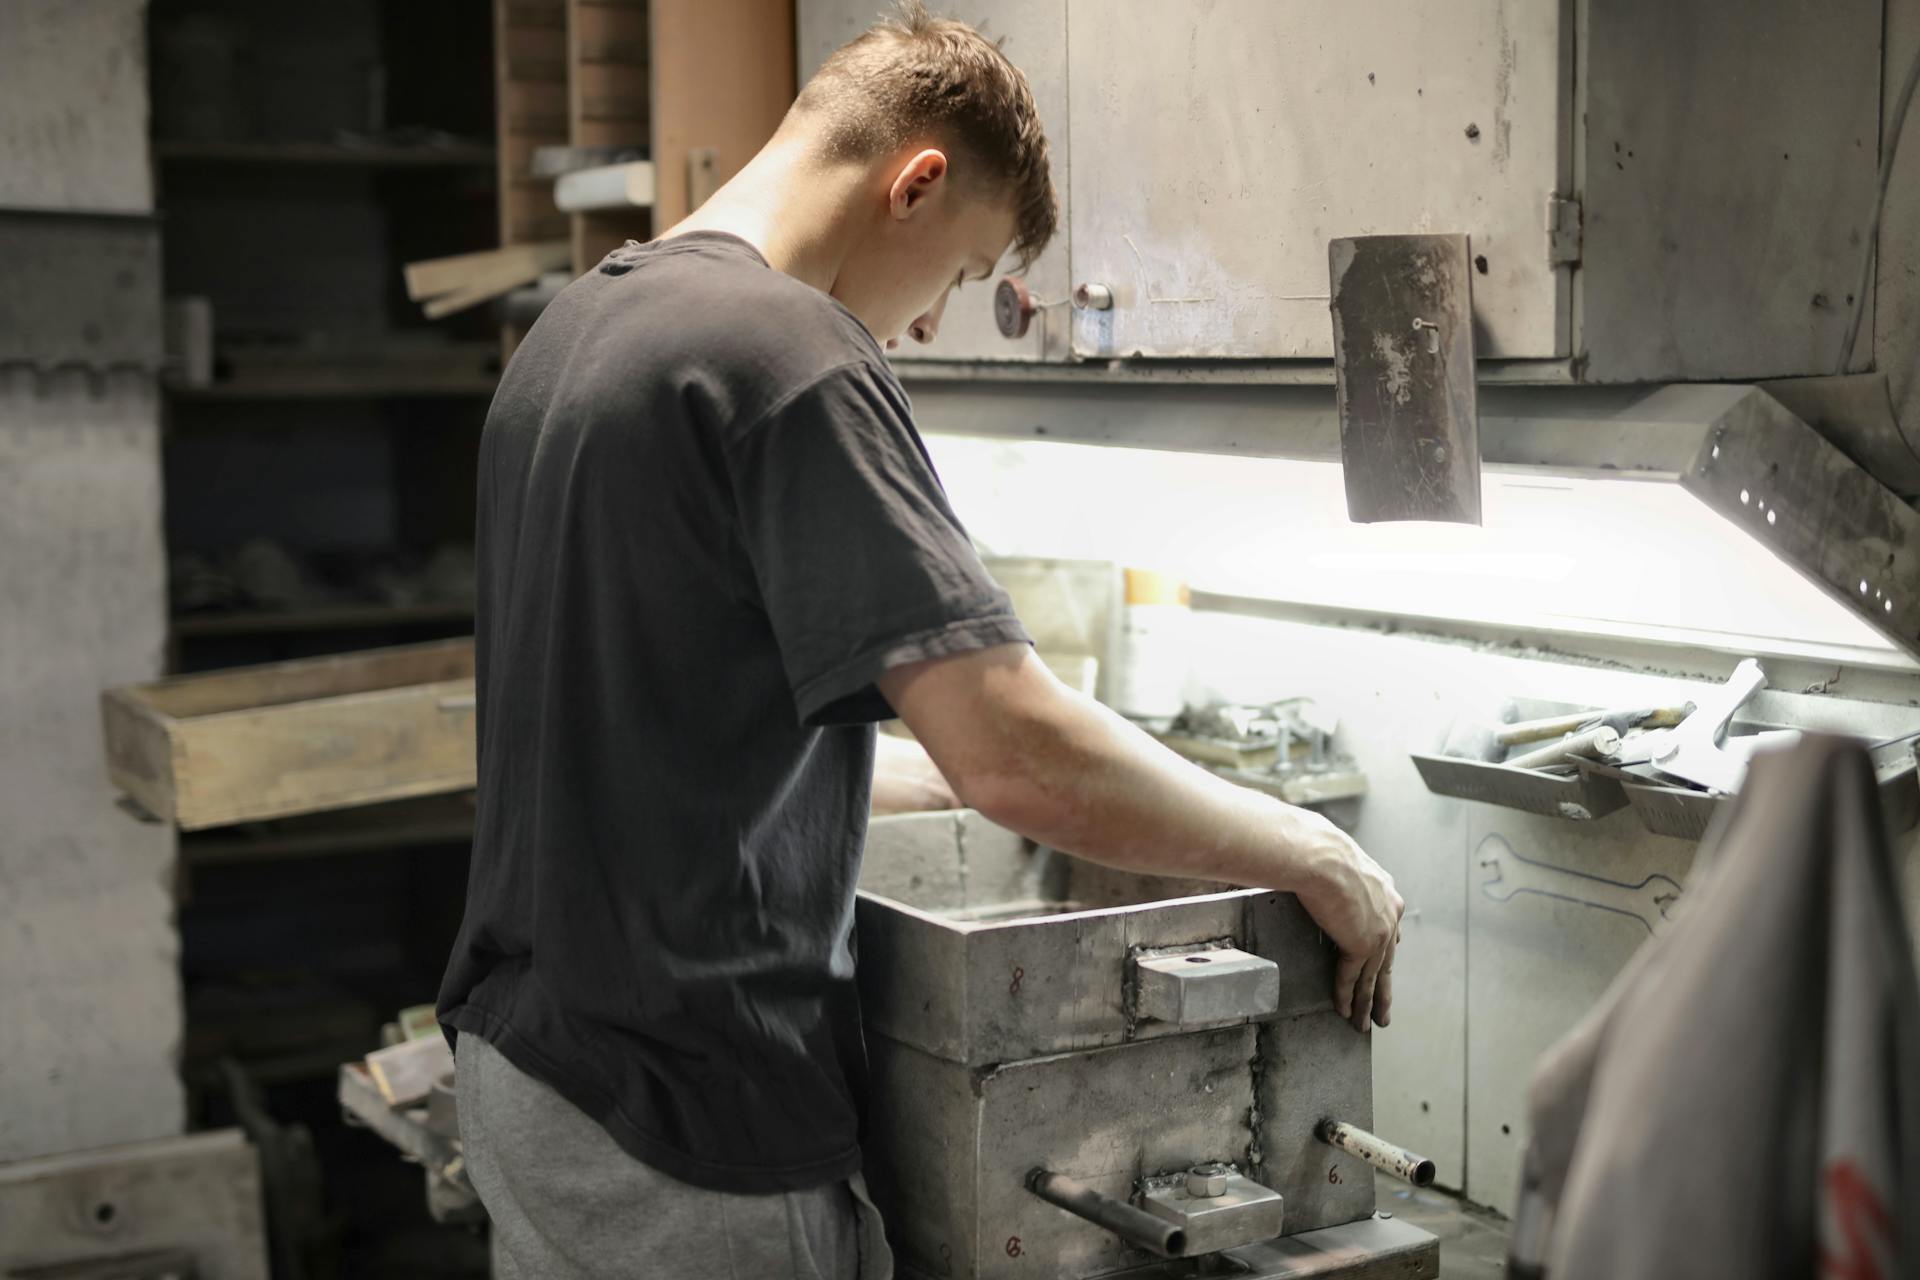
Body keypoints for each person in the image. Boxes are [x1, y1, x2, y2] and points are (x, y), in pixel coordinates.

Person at [437, 4, 1405, 1276]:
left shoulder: (575, 334)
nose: (939, 322)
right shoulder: (790, 356)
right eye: (962, 273)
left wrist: (921, 769)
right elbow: (1013, 745)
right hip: (685, 1116)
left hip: (537, 1074)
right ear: (918, 179)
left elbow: (648, 719)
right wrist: (1311, 848)